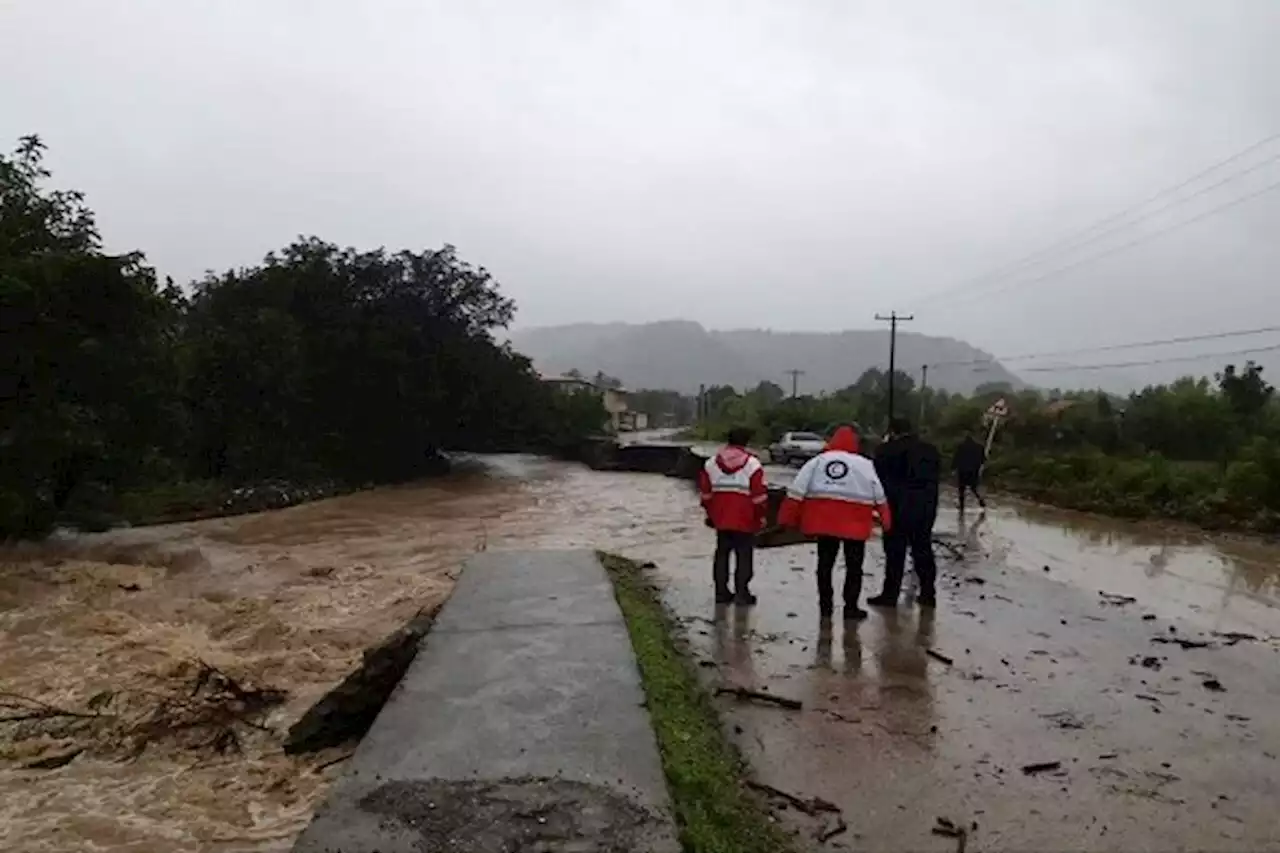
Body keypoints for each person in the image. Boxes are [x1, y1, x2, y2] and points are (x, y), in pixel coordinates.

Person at [779, 425, 891, 619]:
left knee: (824, 565)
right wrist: (887, 522)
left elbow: (796, 492)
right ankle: (850, 608)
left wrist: (786, 519)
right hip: (855, 525)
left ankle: (825, 607)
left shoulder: (817, 462)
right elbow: (880, 496)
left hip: (824, 523)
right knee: (854, 568)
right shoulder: (865, 464)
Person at [871, 417, 941, 608]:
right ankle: (928, 593)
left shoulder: (885, 451)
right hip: (925, 507)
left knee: (895, 552)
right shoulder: (930, 450)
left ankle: (890, 595)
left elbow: (877, 478)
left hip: (896, 507)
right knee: (923, 549)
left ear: (892, 432)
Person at [697, 427, 768, 605]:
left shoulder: (711, 463)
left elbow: (705, 494)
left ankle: (721, 593)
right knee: (744, 555)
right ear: (746, 443)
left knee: (722, 553)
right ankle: (741, 593)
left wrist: (710, 513)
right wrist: (761, 516)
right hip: (745, 517)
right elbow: (759, 496)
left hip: (720, 518)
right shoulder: (753, 464)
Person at [952, 430, 987, 514]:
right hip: (973, 470)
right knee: (973, 488)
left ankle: (962, 505)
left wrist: (953, 468)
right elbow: (983, 460)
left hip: (963, 470)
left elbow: (957, 458)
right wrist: (980, 467)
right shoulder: (979, 447)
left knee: (961, 489)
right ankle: (981, 500)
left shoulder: (961, 447)